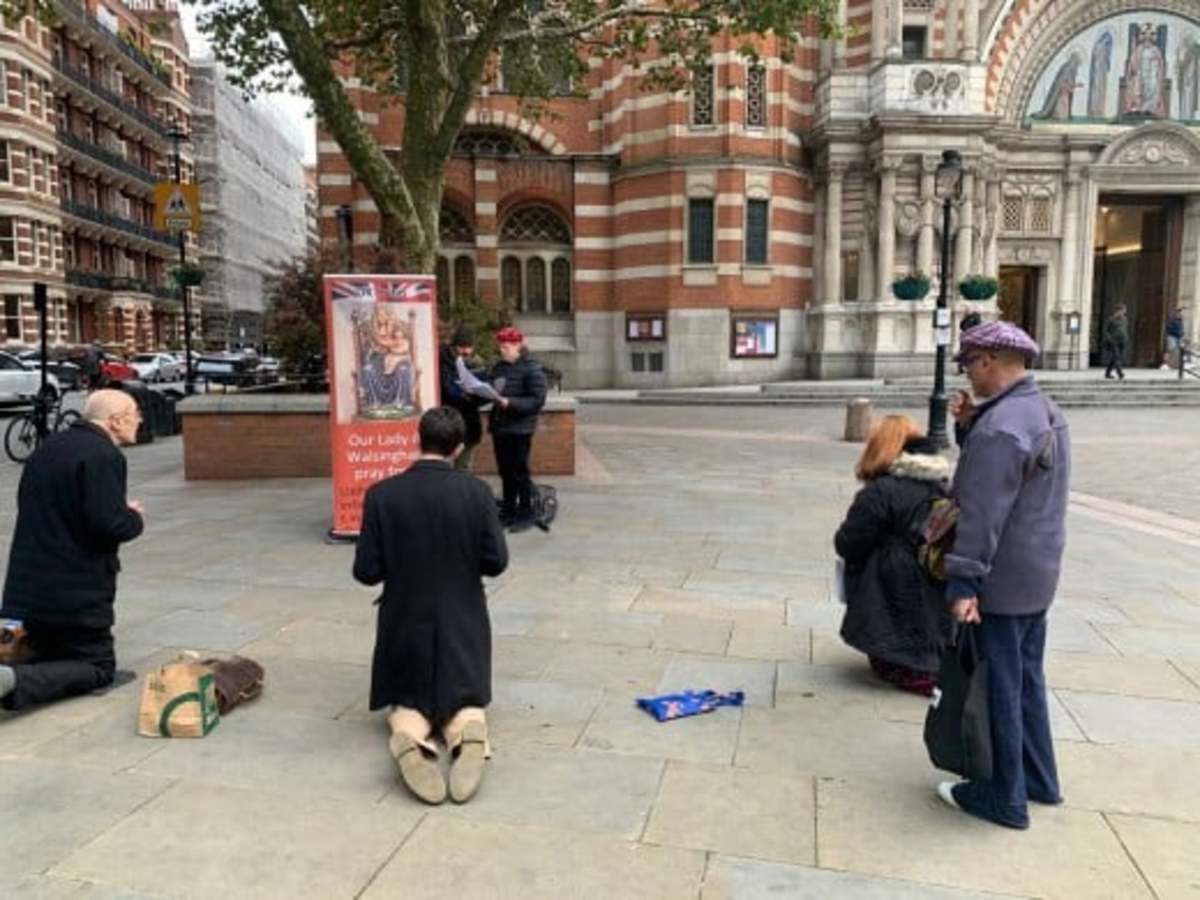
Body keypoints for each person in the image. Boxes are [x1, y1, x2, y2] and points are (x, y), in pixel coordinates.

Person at [938, 321, 1071, 830]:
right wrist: (971, 426)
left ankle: (1005, 797)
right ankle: (1039, 779)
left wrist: (964, 581)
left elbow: (980, 511)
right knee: (1027, 680)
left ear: (990, 360)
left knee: (998, 687)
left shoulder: (1002, 428)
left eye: (969, 364)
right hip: (1037, 572)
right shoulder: (1041, 410)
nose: (967, 374)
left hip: (1003, 577)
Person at [353, 407, 508, 805]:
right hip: (463, 620)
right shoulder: (477, 493)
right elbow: (496, 562)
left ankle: (409, 740)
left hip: (404, 619)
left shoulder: (381, 495)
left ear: (416, 440)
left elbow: (366, 572)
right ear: (457, 448)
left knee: (407, 705)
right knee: (465, 703)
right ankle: (468, 734)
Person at [0, 390, 145, 711]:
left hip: (25, 590)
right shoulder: (104, 455)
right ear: (116, 419)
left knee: (38, 650)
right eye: (135, 412)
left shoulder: (48, 448)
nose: (140, 419)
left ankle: (14, 669)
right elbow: (108, 525)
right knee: (98, 667)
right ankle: (11, 683)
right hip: (76, 595)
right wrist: (131, 515)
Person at [835, 417, 953, 696]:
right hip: (936, 589)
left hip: (893, 585)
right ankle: (926, 666)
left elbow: (848, 541)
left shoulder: (882, 491)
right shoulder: (942, 486)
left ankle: (903, 663)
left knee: (875, 561)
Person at [489, 326, 547, 533]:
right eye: (500, 346)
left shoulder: (532, 368)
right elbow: (492, 388)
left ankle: (526, 511)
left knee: (520, 472)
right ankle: (509, 509)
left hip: (520, 429)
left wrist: (510, 403)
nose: (502, 350)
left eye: (505, 346)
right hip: (500, 427)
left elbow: (537, 400)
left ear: (518, 345)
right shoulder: (499, 367)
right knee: (505, 472)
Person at [438, 325, 484, 472]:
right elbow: (450, 391)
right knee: (447, 469)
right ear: (454, 346)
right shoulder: (444, 362)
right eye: (462, 347)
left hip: (468, 426)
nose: (466, 351)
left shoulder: (476, 363)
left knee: (464, 468)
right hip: (448, 424)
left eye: (469, 347)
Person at [1103, 305, 1127, 380]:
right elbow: (1105, 331)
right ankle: (1120, 372)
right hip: (1114, 341)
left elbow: (1124, 329)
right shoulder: (1111, 319)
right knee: (1116, 357)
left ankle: (1107, 373)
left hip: (1122, 341)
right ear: (1117, 311)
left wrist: (1126, 338)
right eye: (1122, 310)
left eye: (1124, 311)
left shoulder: (1125, 319)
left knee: (1116, 358)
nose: (1123, 312)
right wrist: (1110, 339)